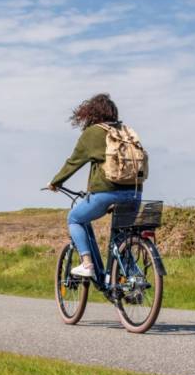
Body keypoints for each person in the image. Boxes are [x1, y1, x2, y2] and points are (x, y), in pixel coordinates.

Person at [48, 93, 142, 278]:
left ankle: (87, 264)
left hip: (106, 193)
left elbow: (73, 162)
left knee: (75, 218)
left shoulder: (93, 132)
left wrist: (55, 182)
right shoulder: (125, 131)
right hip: (135, 193)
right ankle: (132, 279)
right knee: (122, 236)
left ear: (90, 114)